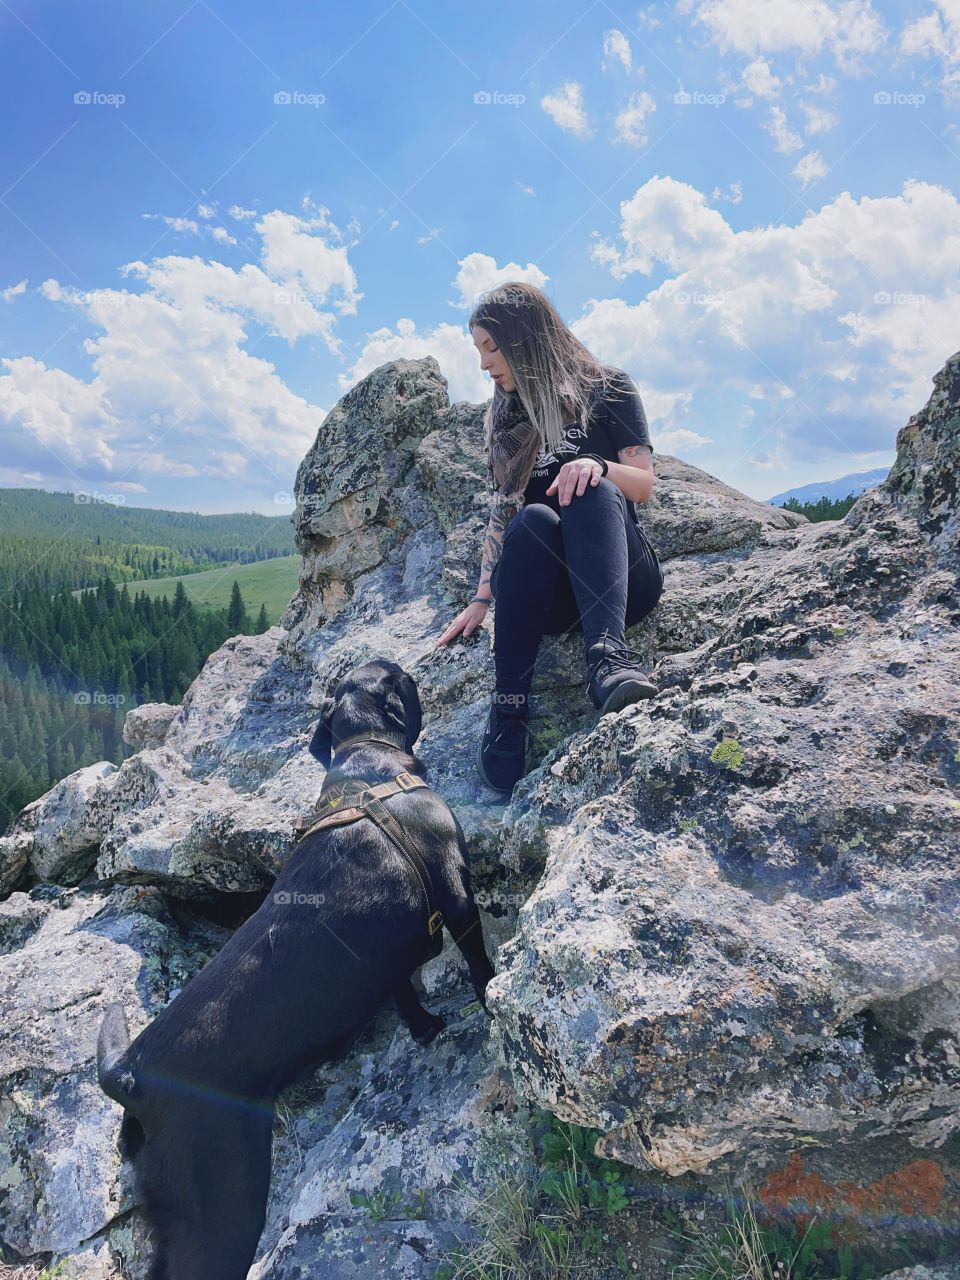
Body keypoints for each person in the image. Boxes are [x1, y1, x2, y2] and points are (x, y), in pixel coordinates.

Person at [436, 282, 665, 795]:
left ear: (525, 341)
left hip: (620, 578)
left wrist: (596, 465)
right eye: (478, 351)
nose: (484, 365)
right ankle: (509, 710)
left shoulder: (609, 388)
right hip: (555, 599)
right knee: (534, 519)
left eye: (491, 349)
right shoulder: (506, 419)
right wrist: (481, 598)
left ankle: (608, 659)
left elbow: (644, 485)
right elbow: (503, 515)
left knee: (588, 487)